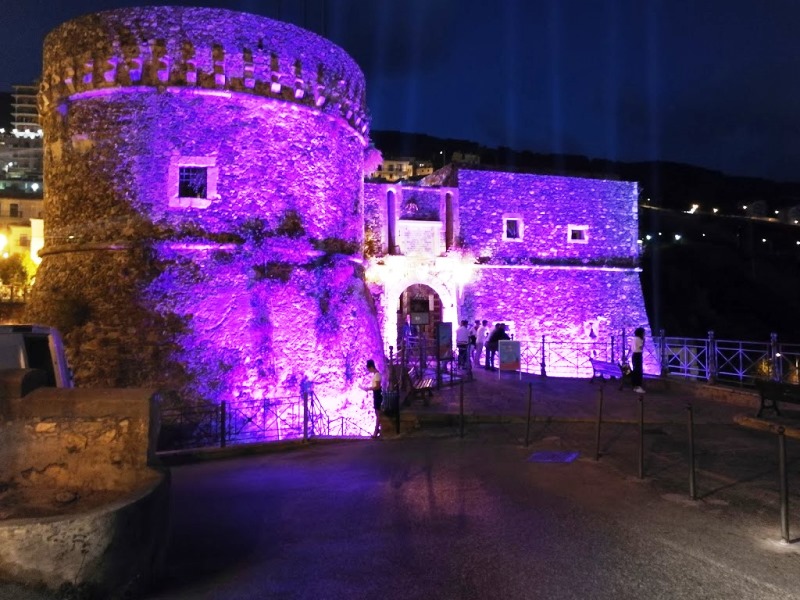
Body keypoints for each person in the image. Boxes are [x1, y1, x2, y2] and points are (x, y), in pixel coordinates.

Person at [364, 359, 383, 438]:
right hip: (376, 395)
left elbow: (378, 387)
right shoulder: (376, 375)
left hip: (377, 395)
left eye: (368, 369)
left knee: (378, 413)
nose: (368, 370)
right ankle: (378, 429)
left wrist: (369, 388)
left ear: (371, 367)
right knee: (377, 413)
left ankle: (376, 431)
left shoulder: (377, 375)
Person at [631, 327, 646, 393]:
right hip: (638, 355)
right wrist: (644, 341)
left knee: (635, 370)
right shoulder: (639, 339)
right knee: (639, 371)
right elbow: (641, 347)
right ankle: (638, 386)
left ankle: (635, 386)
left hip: (634, 355)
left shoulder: (634, 339)